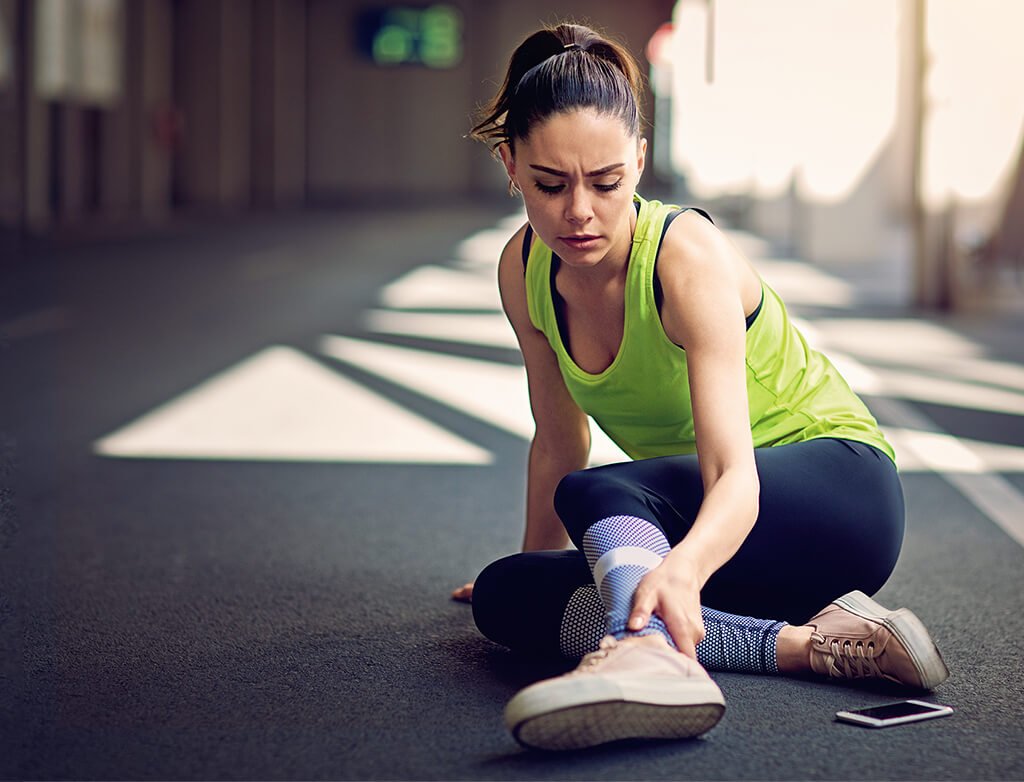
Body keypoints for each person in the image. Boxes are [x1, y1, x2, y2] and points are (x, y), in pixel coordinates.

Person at [455, 22, 949, 752]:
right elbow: (561, 439)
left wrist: (680, 569)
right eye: (550, 184)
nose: (579, 212)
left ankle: (650, 656)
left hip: (838, 493)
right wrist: (539, 561)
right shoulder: (521, 271)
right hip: (726, 535)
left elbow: (732, 477)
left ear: (641, 161)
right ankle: (814, 644)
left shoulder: (685, 257)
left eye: (607, 182)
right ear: (511, 165)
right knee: (508, 597)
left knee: (603, 493)